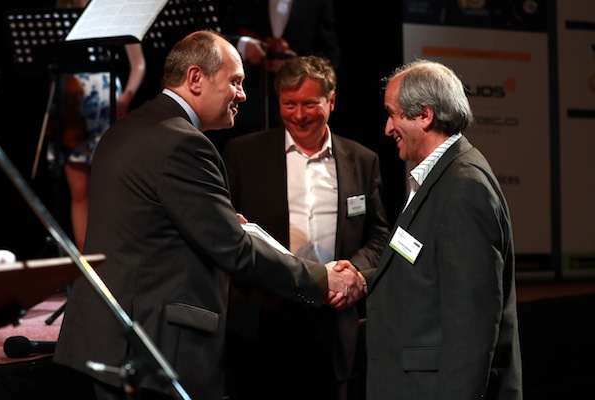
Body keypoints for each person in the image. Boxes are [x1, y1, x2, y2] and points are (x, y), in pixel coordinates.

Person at [52, 30, 366, 400]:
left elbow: (151, 227)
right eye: (235, 81)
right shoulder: (183, 142)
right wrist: (320, 279)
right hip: (151, 349)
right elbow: (234, 251)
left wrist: (219, 223)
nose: (243, 95)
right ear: (196, 78)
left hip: (106, 341)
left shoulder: (124, 128)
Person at [346, 59, 523, 399]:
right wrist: (365, 279)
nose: (387, 128)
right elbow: (422, 266)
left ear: (424, 115)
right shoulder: (441, 176)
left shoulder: (464, 187)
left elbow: (472, 323)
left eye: (392, 114)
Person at [221, 55, 390, 400]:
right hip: (263, 323)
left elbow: (378, 235)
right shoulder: (243, 154)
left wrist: (352, 273)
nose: (299, 115)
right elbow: (226, 235)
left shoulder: (362, 160)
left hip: (334, 325)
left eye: (310, 104)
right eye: (289, 104)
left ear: (332, 101)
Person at [48, 0, 146, 252]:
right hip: (72, 102)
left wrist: (125, 98)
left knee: (111, 185)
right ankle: (85, 261)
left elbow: (138, 63)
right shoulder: (63, 11)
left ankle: (114, 255)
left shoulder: (112, 8)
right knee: (79, 189)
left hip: (105, 100)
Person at [218, 0, 341, 139]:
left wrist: (296, 64)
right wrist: (244, 45)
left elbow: (330, 54)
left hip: (301, 107)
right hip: (251, 106)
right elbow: (220, 35)